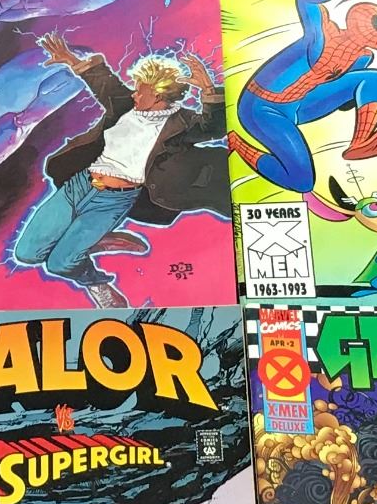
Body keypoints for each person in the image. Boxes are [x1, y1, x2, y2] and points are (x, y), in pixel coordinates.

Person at [12, 36, 226, 307]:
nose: (134, 94)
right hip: (80, 186)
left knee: (59, 264)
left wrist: (207, 87)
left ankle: (96, 281)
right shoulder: (127, 107)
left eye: (140, 91)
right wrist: (70, 60)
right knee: (27, 254)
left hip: (113, 201)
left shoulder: (182, 124)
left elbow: (212, 127)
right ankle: (94, 240)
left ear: (157, 95)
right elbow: (103, 82)